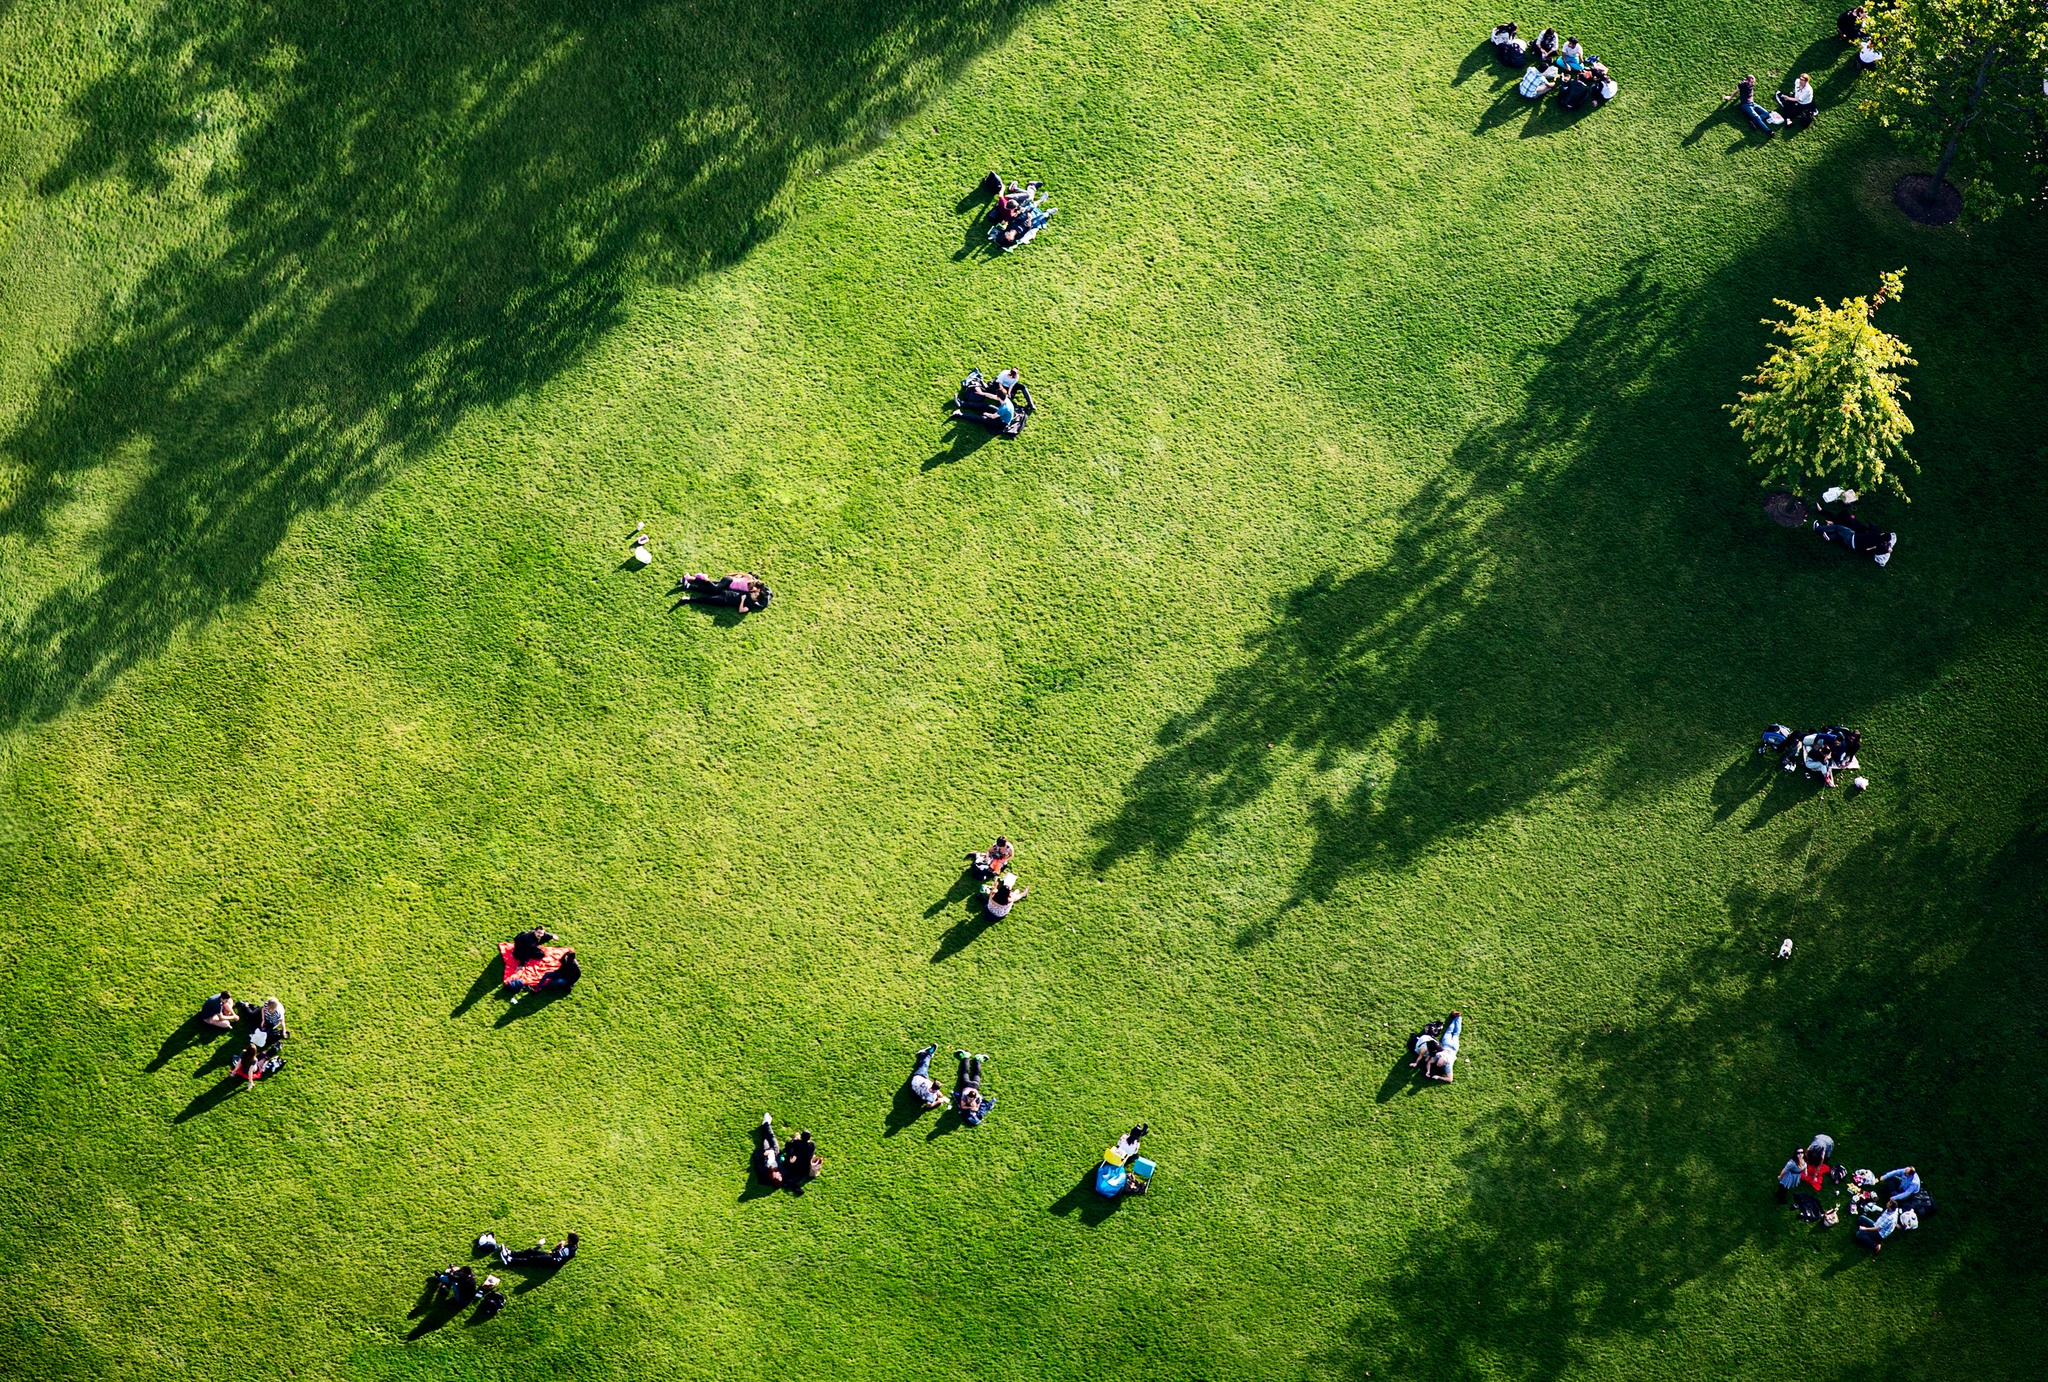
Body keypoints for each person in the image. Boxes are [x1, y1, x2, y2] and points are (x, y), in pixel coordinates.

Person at [678, 572, 772, 613]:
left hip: (725, 597)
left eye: (755, 594)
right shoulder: (749, 587)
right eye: (755, 592)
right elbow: (741, 575)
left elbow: (741, 610)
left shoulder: (750, 601)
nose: (754, 592)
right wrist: (733, 575)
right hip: (727, 587)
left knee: (708, 596)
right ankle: (702, 578)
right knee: (711, 588)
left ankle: (688, 587)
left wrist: (743, 600)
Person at [954, 1051, 997, 1126]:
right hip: (970, 1084)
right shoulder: (973, 1097)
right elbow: (973, 1108)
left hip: (970, 1084)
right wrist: (971, 1106)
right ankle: (974, 1059)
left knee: (969, 1073)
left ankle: (972, 1058)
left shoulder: (967, 1096)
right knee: (969, 1073)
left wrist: (970, 1106)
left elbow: (964, 1106)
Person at [498, 1232, 578, 1267]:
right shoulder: (573, 1245)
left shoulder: (569, 1249)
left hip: (553, 1261)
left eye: (568, 1239)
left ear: (570, 1241)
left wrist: (560, 1247)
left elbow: (556, 1253)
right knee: (531, 1251)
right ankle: (511, 1253)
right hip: (552, 1256)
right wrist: (561, 1247)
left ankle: (510, 1260)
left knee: (532, 1259)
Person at [906, 1045, 948, 1110]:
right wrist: (939, 1100)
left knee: (924, 1066)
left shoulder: (928, 1084)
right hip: (916, 1086)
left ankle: (925, 1054)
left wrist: (938, 1097)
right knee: (924, 1066)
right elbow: (929, 1105)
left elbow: (928, 1105)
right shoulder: (932, 1097)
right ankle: (926, 1054)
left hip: (917, 1079)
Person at [1426, 1011, 1463, 1081]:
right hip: (1450, 1046)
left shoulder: (1448, 1064)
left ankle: (1458, 1018)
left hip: (1452, 1047)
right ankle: (1457, 1018)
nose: (1437, 1064)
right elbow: (1429, 1062)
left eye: (1439, 1064)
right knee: (1452, 1033)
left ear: (1445, 1063)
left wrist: (1439, 1077)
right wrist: (1428, 1071)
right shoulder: (1439, 1055)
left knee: (1454, 1033)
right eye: (1438, 1063)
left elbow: (1450, 1080)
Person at [754, 1114, 785, 1187]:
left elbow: (758, 1163)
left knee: (765, 1139)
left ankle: (766, 1124)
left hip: (766, 1152)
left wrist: (764, 1154)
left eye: (779, 1176)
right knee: (772, 1137)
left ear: (774, 1177)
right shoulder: (780, 1170)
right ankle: (766, 1124)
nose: (780, 1174)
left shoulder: (765, 1171)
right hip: (775, 1152)